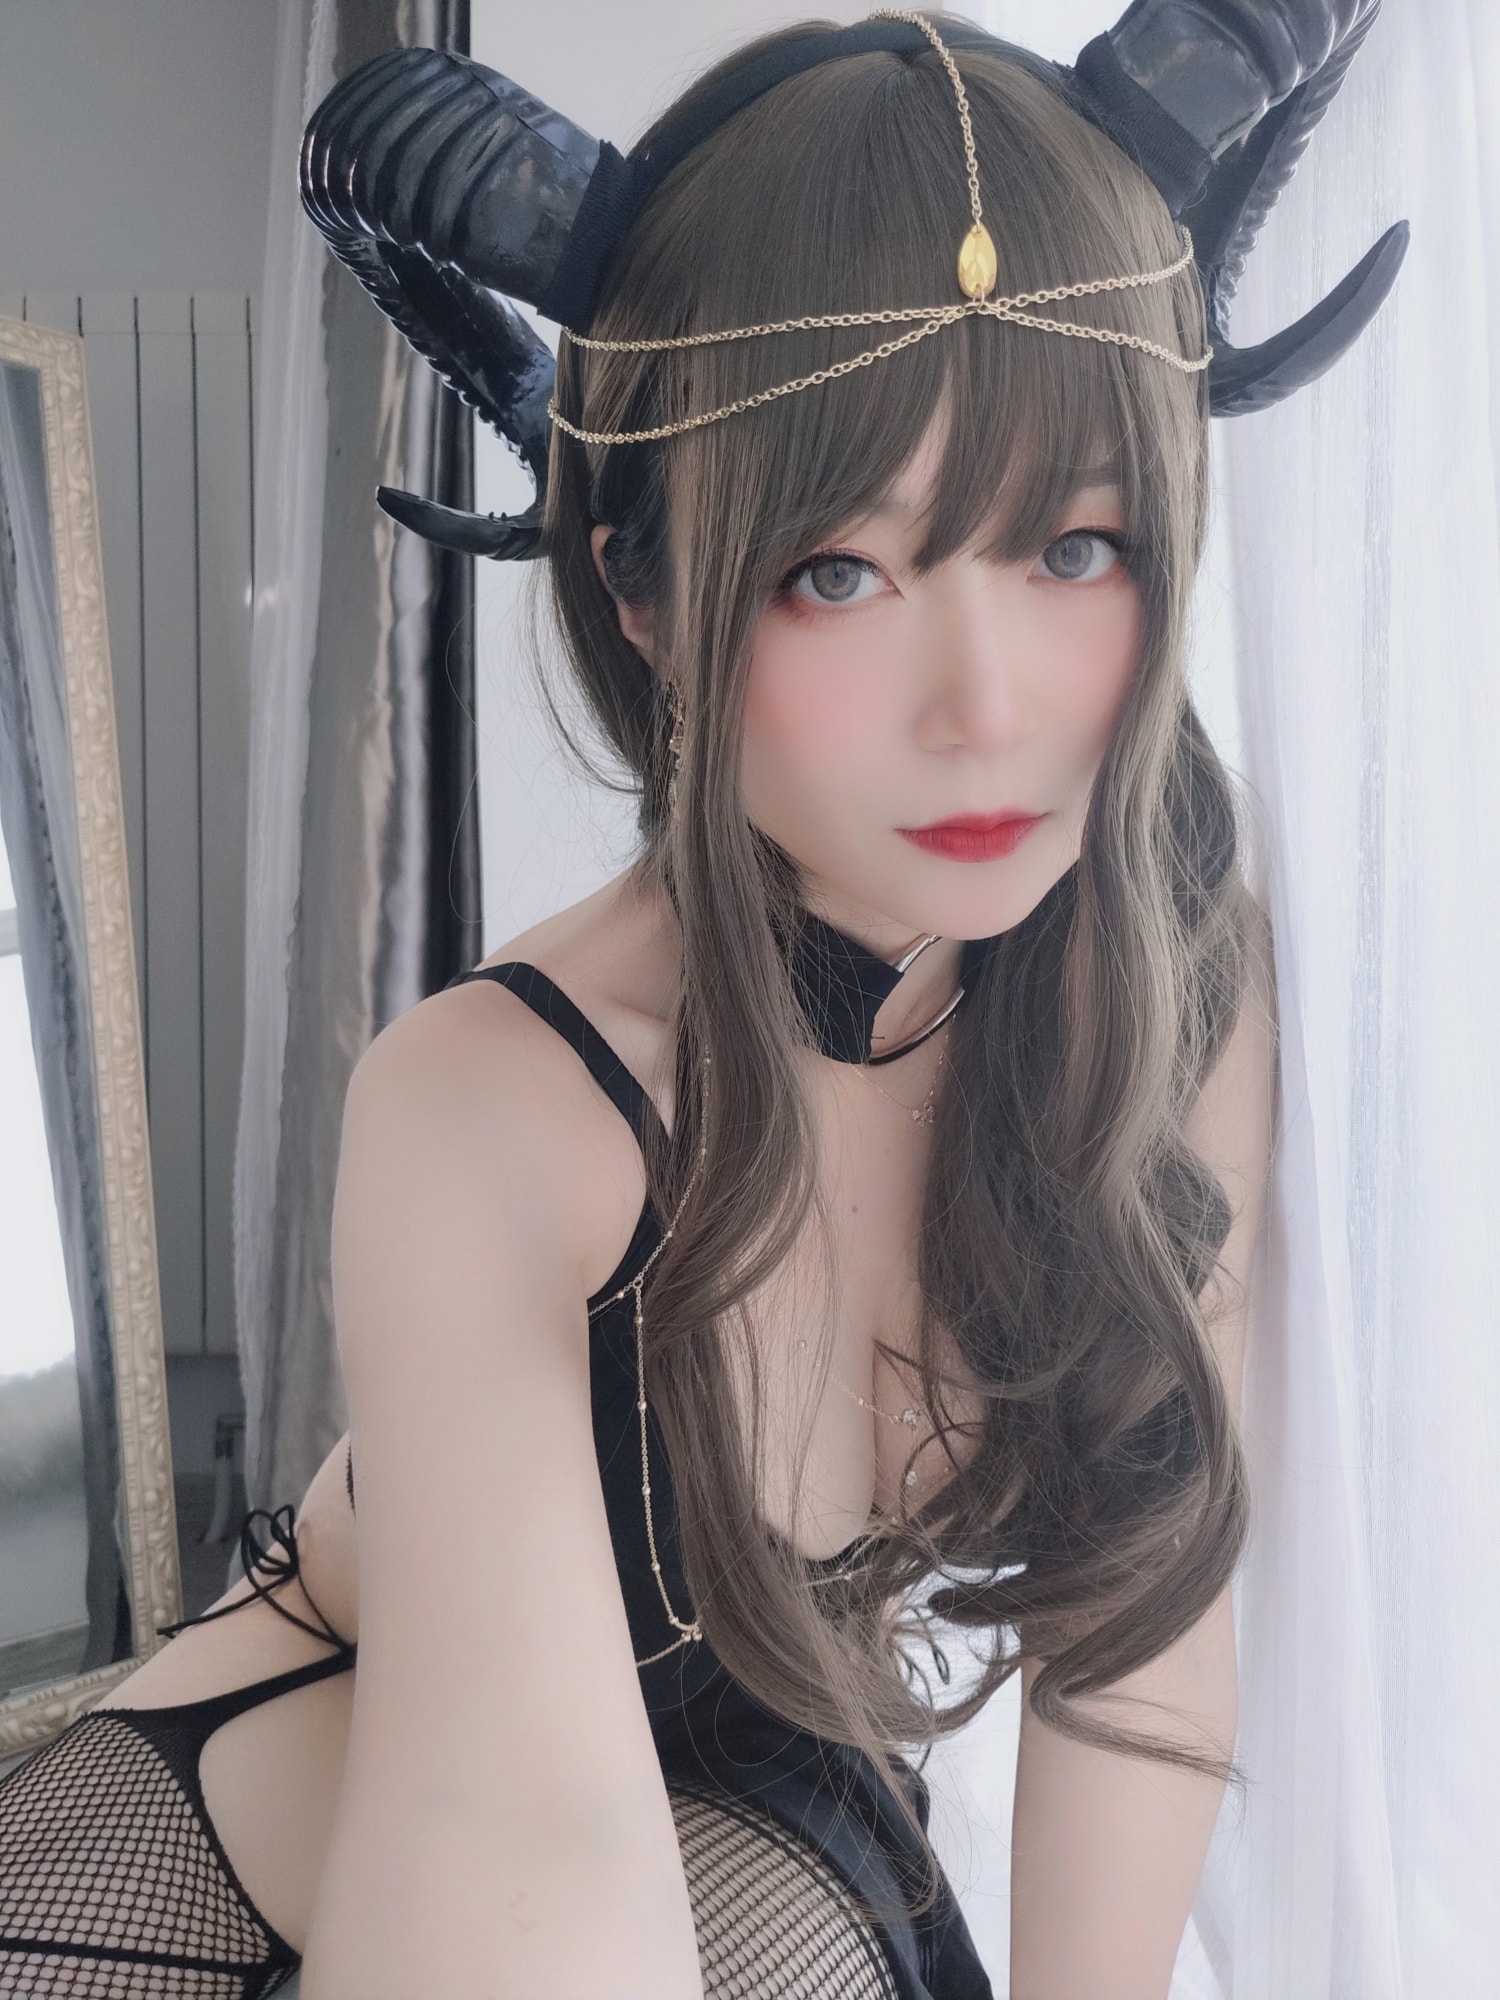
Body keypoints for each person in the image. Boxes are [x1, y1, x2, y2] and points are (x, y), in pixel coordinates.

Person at [0, 6, 1403, 1996]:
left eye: (1074, 544)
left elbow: (1140, 1653)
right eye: (841, 571)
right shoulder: (498, 1105)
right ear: (645, 598)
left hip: (724, 1802)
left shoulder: (1179, 985)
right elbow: (513, 1832)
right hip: (281, 1792)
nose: (989, 706)